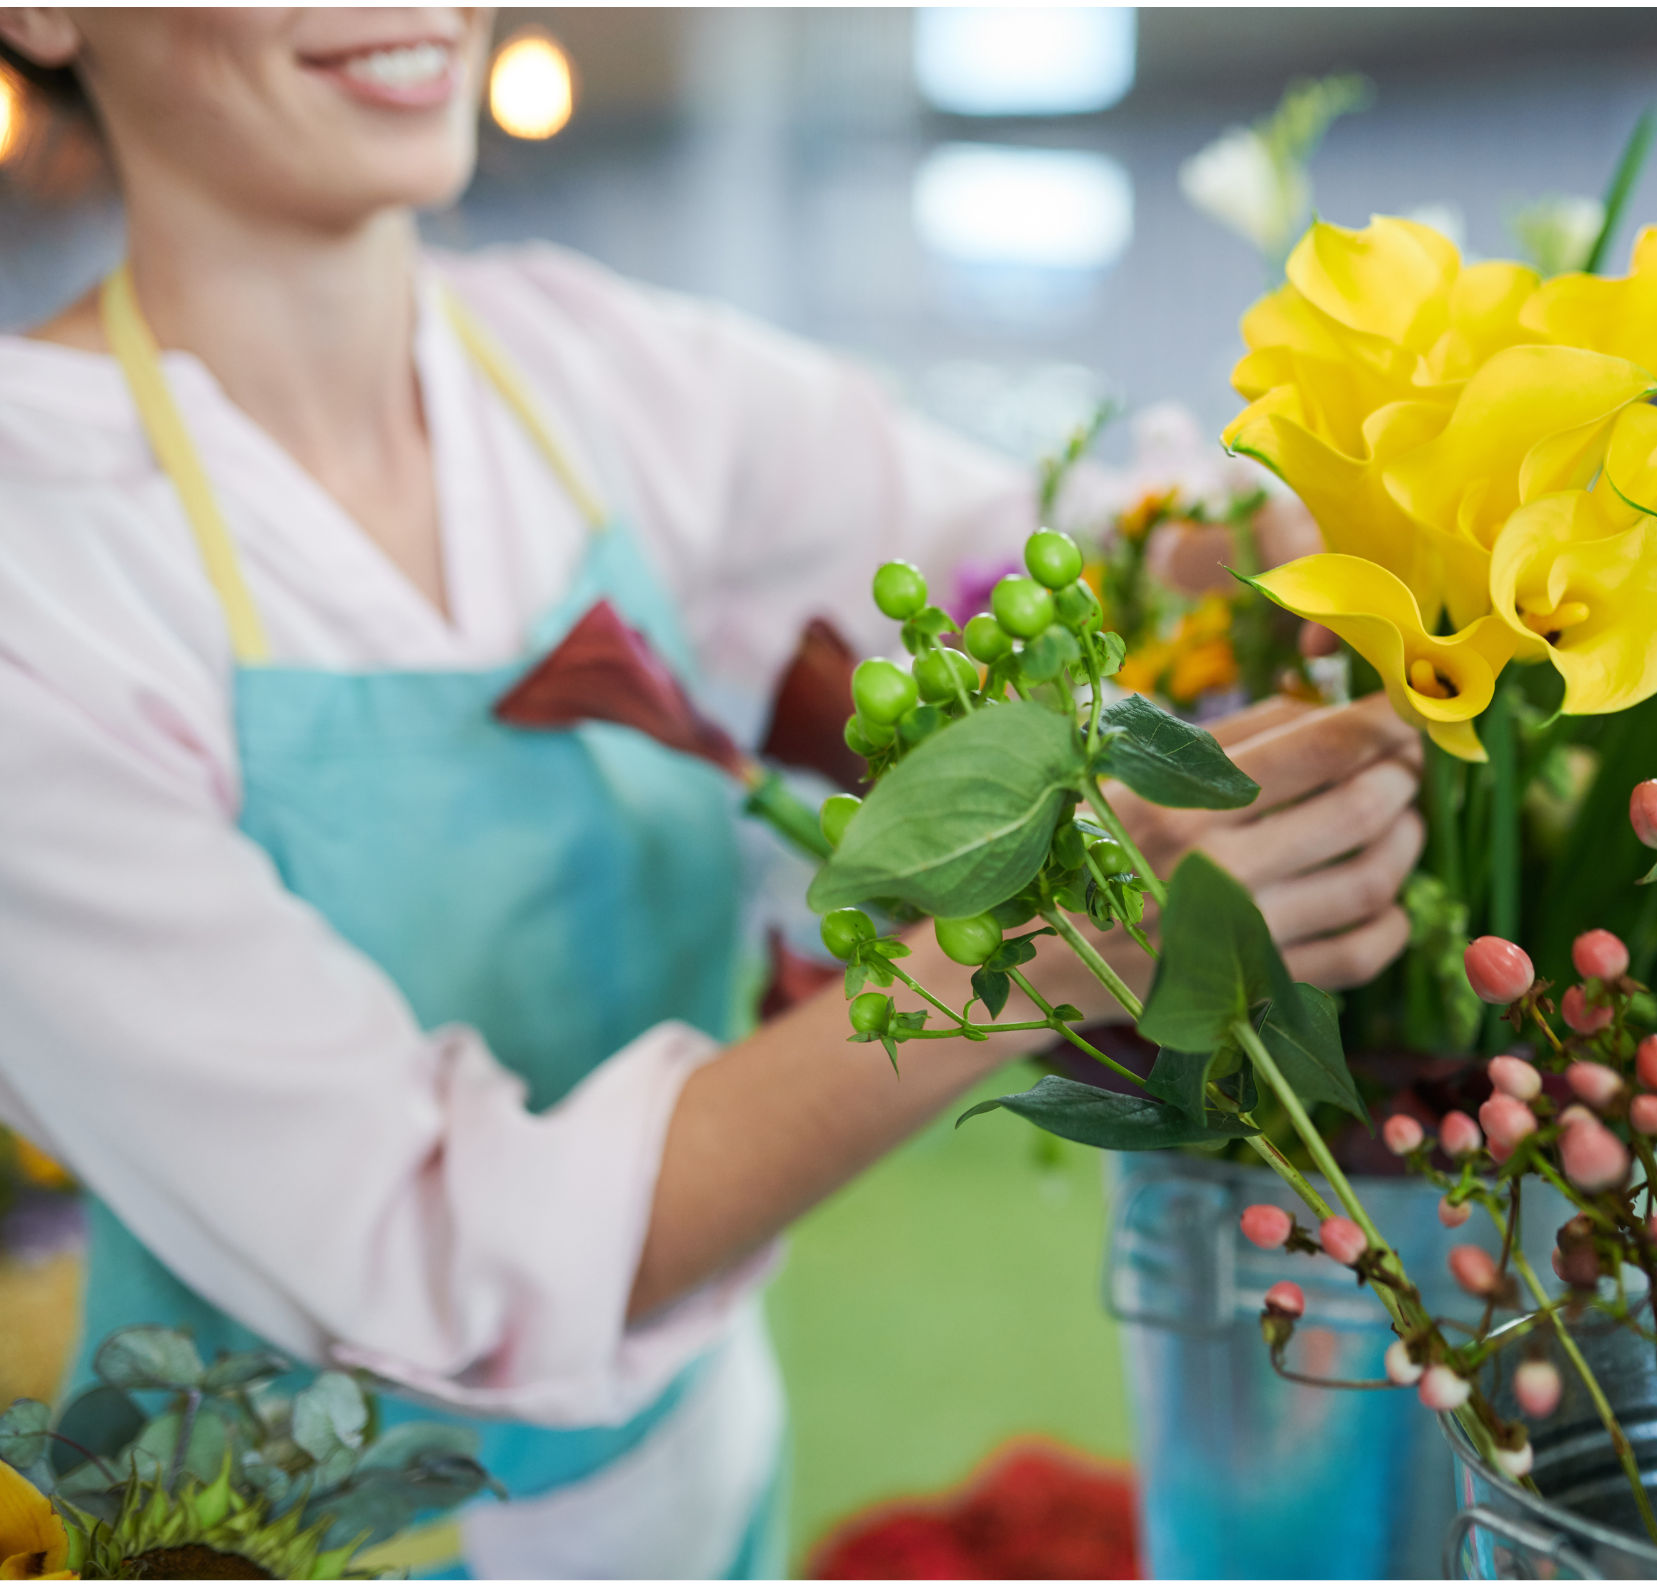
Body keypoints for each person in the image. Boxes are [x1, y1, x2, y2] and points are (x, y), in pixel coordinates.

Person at [0, 9, 1426, 1577]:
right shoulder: (36, 549)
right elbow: (429, 1249)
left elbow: (1023, 551)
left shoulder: (583, 369)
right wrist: (1045, 948)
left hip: (685, 1489)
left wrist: (1344, 532)